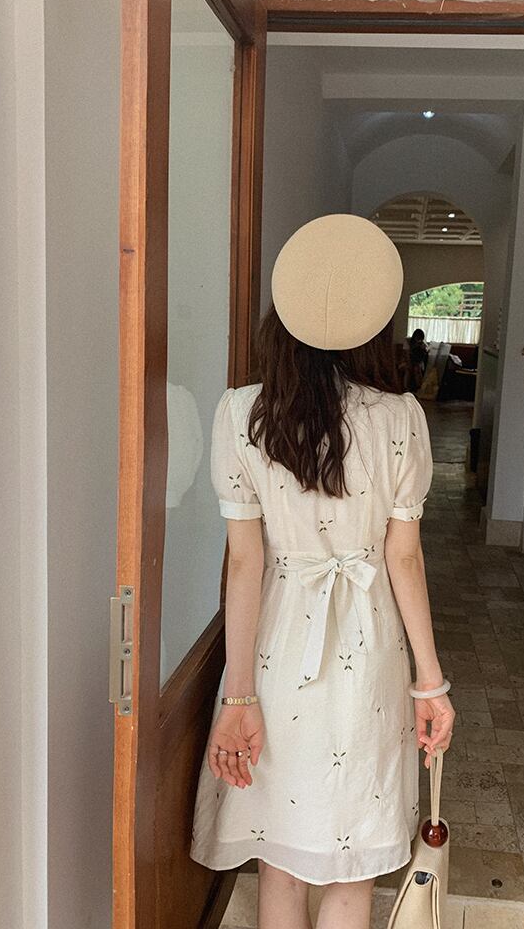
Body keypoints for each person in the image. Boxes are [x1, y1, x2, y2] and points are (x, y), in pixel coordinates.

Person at [190, 214, 455, 929]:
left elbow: (245, 561)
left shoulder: (240, 414)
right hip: (369, 651)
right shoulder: (401, 418)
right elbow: (403, 557)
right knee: (351, 865)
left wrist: (238, 694)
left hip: (278, 648)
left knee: (280, 860)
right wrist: (430, 682)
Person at [407, 327, 429, 392]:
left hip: (419, 361)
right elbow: (407, 355)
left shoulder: (423, 344)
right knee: (408, 369)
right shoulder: (409, 342)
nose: (419, 340)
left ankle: (419, 386)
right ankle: (407, 387)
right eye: (418, 338)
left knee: (417, 369)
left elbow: (424, 356)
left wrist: (423, 348)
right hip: (409, 361)